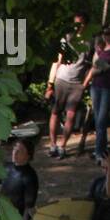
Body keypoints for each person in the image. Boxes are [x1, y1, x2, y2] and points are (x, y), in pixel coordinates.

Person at [46, 11, 94, 158]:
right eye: (75, 23)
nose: (77, 26)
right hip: (61, 80)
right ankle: (53, 145)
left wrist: (85, 83)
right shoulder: (66, 39)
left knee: (71, 116)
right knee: (55, 112)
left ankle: (63, 146)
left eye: (80, 23)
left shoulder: (90, 42)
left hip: (77, 84)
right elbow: (57, 61)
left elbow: (93, 64)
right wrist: (49, 84)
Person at [83, 30, 110, 163]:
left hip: (107, 88)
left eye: (108, 34)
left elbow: (99, 68)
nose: (106, 36)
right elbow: (95, 67)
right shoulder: (100, 50)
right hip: (96, 87)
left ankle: (99, 152)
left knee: (101, 121)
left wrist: (96, 68)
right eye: (105, 34)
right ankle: (102, 150)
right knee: (99, 119)